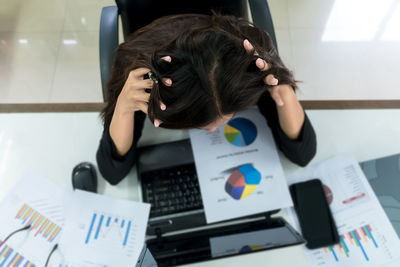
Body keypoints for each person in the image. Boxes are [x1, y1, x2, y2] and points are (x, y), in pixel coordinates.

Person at [96, 13, 317, 185]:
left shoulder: (245, 63)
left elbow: (302, 153)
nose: (212, 131)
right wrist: (123, 108)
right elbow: (113, 171)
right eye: (204, 126)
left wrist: (284, 89)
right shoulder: (142, 75)